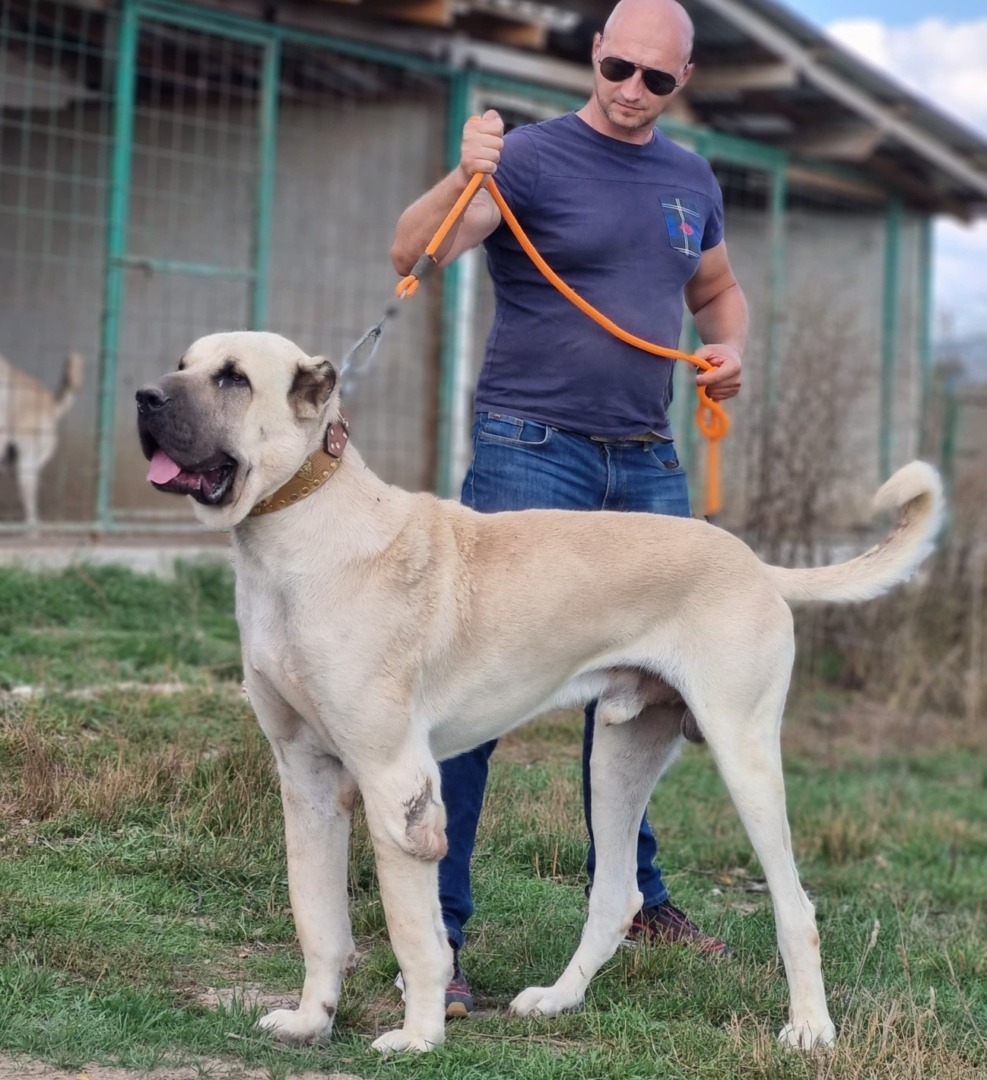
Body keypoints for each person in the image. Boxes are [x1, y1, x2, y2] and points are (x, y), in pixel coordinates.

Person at [390, 0, 748, 1016]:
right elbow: (411, 256)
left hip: (646, 467)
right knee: (465, 700)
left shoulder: (691, 179)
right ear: (594, 53)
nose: (634, 91)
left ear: (683, 83)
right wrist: (466, 171)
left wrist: (731, 353)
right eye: (620, 68)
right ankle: (439, 943)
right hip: (529, 457)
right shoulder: (533, 162)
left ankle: (636, 898)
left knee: (641, 698)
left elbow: (717, 292)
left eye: (658, 80)